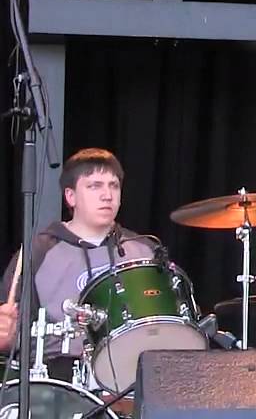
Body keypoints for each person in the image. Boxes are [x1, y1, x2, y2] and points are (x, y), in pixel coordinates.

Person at [0, 148, 157, 379]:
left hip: (131, 377)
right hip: (57, 380)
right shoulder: (37, 253)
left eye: (113, 186)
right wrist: (6, 338)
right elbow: (11, 335)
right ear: (70, 196)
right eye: (94, 186)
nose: (107, 195)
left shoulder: (144, 250)